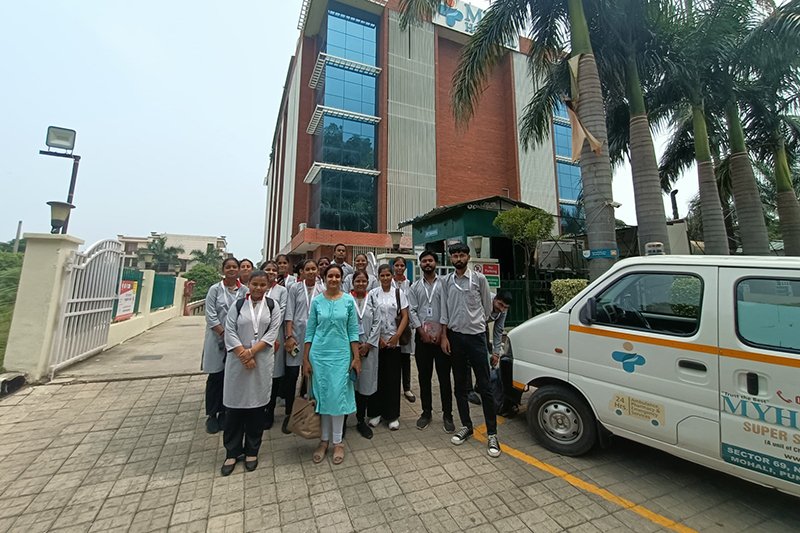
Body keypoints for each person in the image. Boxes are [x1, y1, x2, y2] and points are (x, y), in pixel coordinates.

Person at [440, 243, 501, 458]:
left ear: (467, 257)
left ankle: (492, 433)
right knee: (460, 385)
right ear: (451, 259)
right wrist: (444, 336)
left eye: (461, 255)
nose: (458, 259)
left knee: (484, 386)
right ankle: (466, 425)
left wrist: (478, 327)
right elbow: (444, 310)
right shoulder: (446, 281)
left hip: (476, 338)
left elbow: (487, 308)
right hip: (455, 338)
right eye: (455, 256)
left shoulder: (479, 279)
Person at [221, 270, 282, 475]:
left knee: (256, 408)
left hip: (261, 361)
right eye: (255, 284)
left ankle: (252, 451)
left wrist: (252, 352)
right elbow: (229, 331)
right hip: (238, 362)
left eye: (262, 285)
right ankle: (232, 452)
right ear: (249, 284)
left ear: (268, 286)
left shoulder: (272, 306)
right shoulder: (238, 305)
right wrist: (243, 354)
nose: (258, 288)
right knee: (234, 408)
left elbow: (272, 333)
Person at [302, 264, 361, 464]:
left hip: (341, 356)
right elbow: (310, 331)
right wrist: (305, 359)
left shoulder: (348, 301)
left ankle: (338, 442)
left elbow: (353, 331)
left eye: (337, 276)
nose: (334, 279)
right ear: (325, 278)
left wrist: (356, 357)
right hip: (319, 356)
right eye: (330, 276)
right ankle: (323, 441)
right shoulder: (317, 301)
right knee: (323, 398)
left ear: (341, 279)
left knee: (338, 398)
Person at [407, 250, 454, 432]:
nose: (427, 263)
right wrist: (422, 332)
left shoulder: (444, 284)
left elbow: (447, 309)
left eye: (430, 260)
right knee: (424, 377)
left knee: (444, 378)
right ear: (420, 264)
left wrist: (443, 334)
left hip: (442, 339)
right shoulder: (415, 287)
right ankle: (426, 412)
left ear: (436, 263)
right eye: (424, 261)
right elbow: (412, 310)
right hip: (423, 339)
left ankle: (448, 414)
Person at [202, 257, 248, 434]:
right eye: (228, 267)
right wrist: (223, 334)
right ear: (223, 270)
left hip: (237, 341)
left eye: (234, 267)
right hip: (217, 339)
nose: (231, 269)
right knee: (216, 376)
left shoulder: (244, 290)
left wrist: (234, 338)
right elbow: (210, 315)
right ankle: (212, 415)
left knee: (231, 376)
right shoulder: (215, 289)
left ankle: (225, 412)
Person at [284, 259, 323, 433]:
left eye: (314, 269)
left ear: (317, 271)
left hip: (315, 338)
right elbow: (289, 313)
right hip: (296, 337)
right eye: (308, 269)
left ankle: (309, 412)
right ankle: (289, 412)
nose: (311, 272)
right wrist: (289, 336)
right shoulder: (294, 288)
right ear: (302, 272)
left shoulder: (322, 289)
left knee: (311, 374)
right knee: (292, 374)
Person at [369, 264, 409, 430]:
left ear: (392, 276)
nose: (385, 278)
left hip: (394, 341)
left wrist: (397, 336)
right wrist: (377, 338)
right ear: (378, 277)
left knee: (392, 378)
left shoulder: (399, 293)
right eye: (382, 275)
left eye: (387, 275)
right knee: (376, 377)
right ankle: (376, 412)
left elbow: (405, 316)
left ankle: (392, 415)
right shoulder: (373, 294)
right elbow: (370, 316)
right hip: (377, 342)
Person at [350, 270, 380, 439]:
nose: (360, 284)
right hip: (349, 349)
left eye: (363, 281)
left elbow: (377, 322)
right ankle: (342, 420)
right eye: (358, 281)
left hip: (368, 349)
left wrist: (368, 344)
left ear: (368, 283)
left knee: (364, 385)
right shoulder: (347, 300)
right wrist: (353, 347)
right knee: (349, 385)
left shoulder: (373, 299)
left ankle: (361, 420)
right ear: (352, 283)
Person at [261, 261, 289, 430]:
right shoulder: (257, 288)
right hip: (256, 335)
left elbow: (282, 311)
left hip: (275, 335)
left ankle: (269, 411)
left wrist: (269, 331)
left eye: (274, 270)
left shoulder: (282, 291)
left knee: (274, 375)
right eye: (268, 269)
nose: (271, 272)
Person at [392, 257, 416, 403]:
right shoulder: (388, 282)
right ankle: (393, 387)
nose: (399, 268)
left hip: (405, 325)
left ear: (405, 267)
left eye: (402, 265)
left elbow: (412, 305)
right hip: (390, 325)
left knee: (405, 358)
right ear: (393, 267)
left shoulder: (410, 284)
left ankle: (407, 388)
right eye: (397, 265)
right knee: (393, 358)